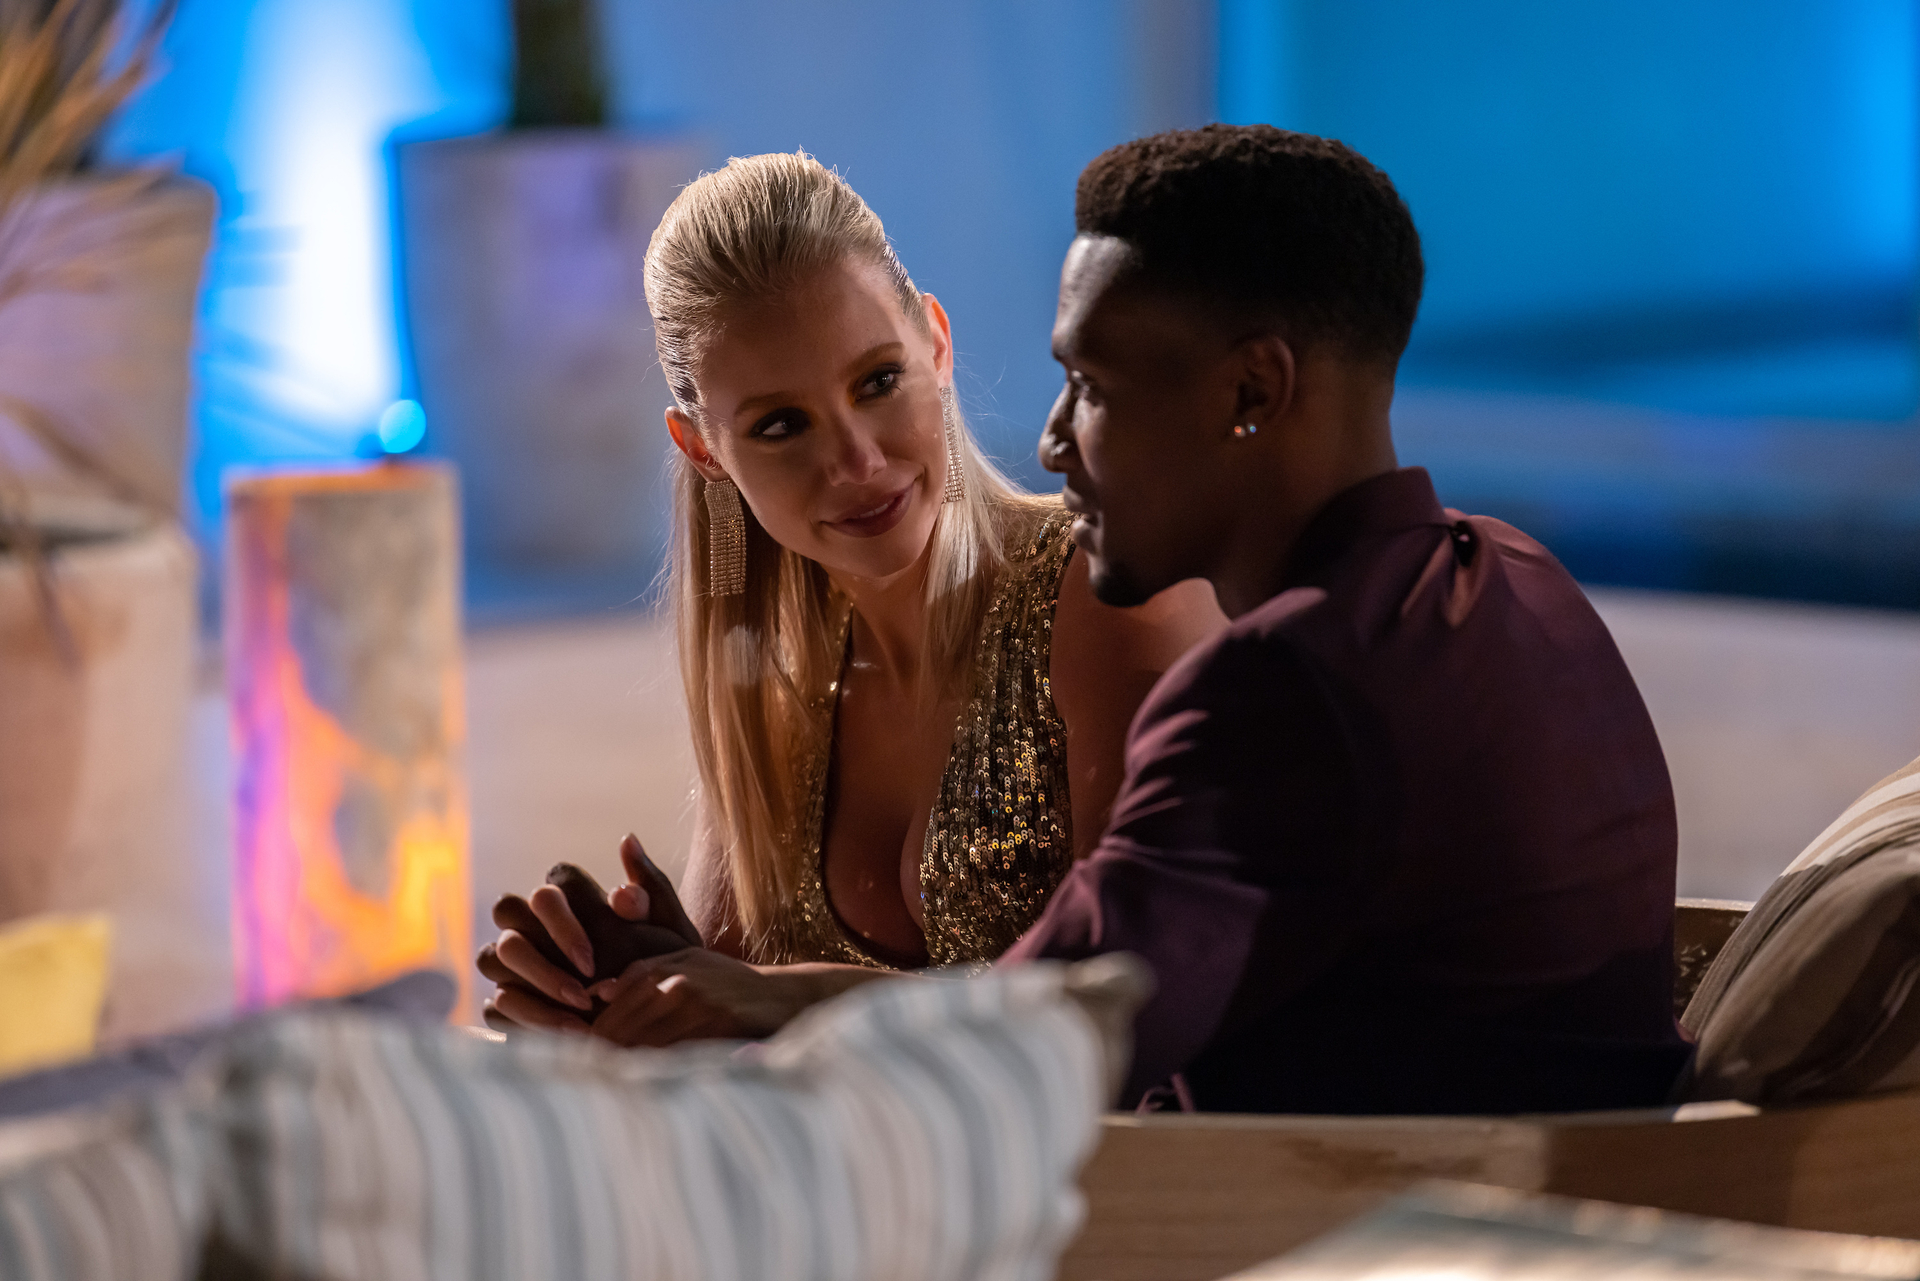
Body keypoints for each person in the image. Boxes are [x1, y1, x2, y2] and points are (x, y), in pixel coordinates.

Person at [503, 126, 1692, 1117]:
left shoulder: (1275, 688)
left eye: (1093, 388)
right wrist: (672, 994)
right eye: (779, 425)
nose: (1053, 440)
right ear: (704, 448)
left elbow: (1076, 1033)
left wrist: (779, 1002)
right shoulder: (1517, 572)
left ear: (1251, 392)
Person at [477, 152, 1222, 1034]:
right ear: (703, 448)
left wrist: (796, 997)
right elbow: (752, 1059)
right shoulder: (775, 698)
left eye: (877, 381)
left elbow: (1146, 1000)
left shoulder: (1109, 597)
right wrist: (628, 1003)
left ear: (936, 344)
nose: (857, 460)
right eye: (780, 425)